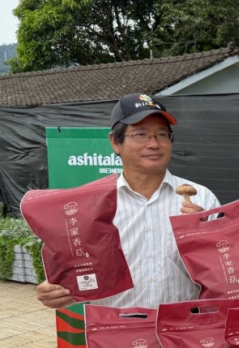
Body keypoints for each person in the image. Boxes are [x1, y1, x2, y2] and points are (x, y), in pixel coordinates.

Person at [36, 93, 220, 309]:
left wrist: (205, 239)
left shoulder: (202, 198)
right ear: (116, 142)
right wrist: (56, 290)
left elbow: (224, 271)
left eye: (162, 134)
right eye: (141, 134)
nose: (154, 144)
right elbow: (72, 271)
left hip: (184, 325)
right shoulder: (90, 205)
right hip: (116, 326)